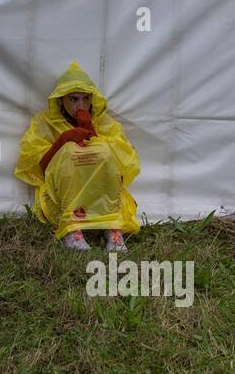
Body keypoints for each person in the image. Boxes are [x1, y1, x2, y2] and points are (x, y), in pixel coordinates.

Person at [15, 61, 142, 252]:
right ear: (61, 100)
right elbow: (37, 167)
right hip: (63, 190)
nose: (80, 105)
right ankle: (72, 229)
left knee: (106, 151)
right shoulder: (44, 122)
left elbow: (124, 161)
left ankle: (112, 228)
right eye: (73, 99)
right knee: (68, 153)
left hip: (102, 189)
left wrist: (92, 132)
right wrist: (63, 141)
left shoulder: (103, 122)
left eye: (85, 99)